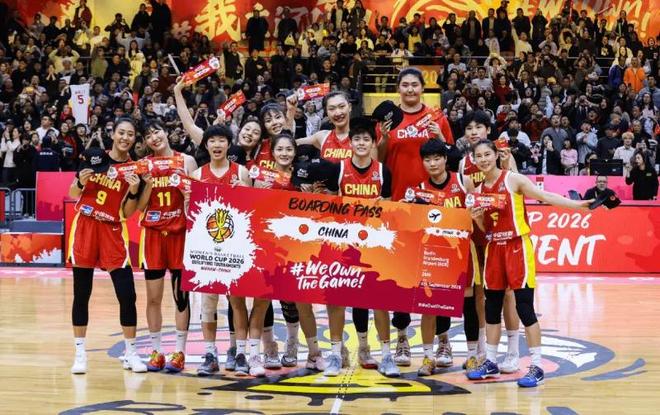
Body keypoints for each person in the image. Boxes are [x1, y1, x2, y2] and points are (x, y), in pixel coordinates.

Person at [466, 139, 591, 388]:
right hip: (494, 249)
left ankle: (536, 365)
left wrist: (578, 205)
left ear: (496, 155)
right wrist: (476, 219)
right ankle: (490, 361)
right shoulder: (478, 192)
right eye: (478, 156)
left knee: (524, 308)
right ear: (474, 160)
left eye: (487, 154)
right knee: (492, 308)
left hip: (517, 247)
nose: (483, 159)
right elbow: (485, 228)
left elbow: (545, 196)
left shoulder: (512, 180)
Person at [377, 67, 453, 367]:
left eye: (415, 85)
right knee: (402, 278)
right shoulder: (388, 119)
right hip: (400, 206)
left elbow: (452, 156)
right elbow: (379, 161)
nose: (410, 89)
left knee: (439, 275)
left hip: (435, 205)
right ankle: (402, 338)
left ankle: (443, 340)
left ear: (423, 88)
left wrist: (440, 136)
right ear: (398, 89)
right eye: (405, 85)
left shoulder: (437, 117)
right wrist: (384, 137)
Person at [67, 117, 145, 374]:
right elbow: (73, 193)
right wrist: (81, 181)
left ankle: (131, 353)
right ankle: (80, 354)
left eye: (130, 134)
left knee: (127, 294)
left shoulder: (133, 170)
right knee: (82, 293)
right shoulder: (94, 157)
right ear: (113, 134)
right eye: (121, 132)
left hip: (112, 229)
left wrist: (133, 190)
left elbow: (129, 212)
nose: (125, 138)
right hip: (86, 226)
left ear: (134, 139)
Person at [322, 119, 397, 377]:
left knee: (379, 300)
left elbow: (389, 209)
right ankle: (335, 354)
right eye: (357, 139)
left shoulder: (383, 171)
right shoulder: (338, 170)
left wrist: (382, 208)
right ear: (350, 143)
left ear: (373, 143)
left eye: (366, 139)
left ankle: (385, 355)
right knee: (337, 299)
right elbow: (328, 207)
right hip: (343, 242)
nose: (362, 143)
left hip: (374, 243)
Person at [457, 111, 521, 374]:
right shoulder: (463, 164)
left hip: (504, 235)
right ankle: (483, 351)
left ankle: (513, 352)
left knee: (508, 294)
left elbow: (518, 191)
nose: (473, 132)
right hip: (478, 235)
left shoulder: (502, 156)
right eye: (469, 128)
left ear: (488, 130)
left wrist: (508, 163)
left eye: (479, 127)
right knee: (480, 294)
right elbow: (468, 201)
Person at [411, 139, 481, 376]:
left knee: (468, 303)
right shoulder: (419, 189)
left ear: (445, 159)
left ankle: (472, 356)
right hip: (434, 253)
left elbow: (476, 213)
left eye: (437, 158)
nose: (433, 164)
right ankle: (428, 357)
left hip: (461, 250)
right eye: (428, 160)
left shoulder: (463, 181)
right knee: (429, 305)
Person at [137, 120, 197, 373]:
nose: (154, 137)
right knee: (153, 298)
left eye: (156, 131)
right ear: (145, 142)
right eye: (148, 135)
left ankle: (179, 352)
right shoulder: (144, 165)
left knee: (181, 297)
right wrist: (147, 185)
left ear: (166, 132)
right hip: (153, 236)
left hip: (180, 235)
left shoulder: (187, 161)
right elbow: (140, 207)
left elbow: (197, 200)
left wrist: (188, 196)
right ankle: (156, 351)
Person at [190, 125, 251, 376]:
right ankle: (210, 353)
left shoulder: (242, 172)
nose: (217, 145)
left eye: (221, 140)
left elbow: (251, 211)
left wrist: (244, 191)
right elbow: (192, 214)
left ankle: (240, 352)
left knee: (237, 301)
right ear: (206, 145)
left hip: (234, 246)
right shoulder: (196, 175)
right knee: (208, 303)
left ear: (228, 144)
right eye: (212, 140)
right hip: (207, 247)